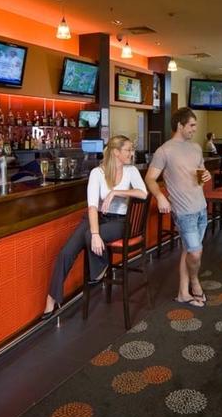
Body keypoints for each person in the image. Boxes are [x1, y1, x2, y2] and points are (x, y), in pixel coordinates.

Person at [42, 135, 147, 320]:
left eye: (132, 150)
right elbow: (92, 206)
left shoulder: (131, 171)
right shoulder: (97, 173)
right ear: (116, 152)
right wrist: (96, 232)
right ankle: (52, 298)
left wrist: (116, 192)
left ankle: (99, 270)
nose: (132, 153)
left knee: (90, 236)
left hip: (120, 221)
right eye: (128, 150)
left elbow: (143, 193)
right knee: (67, 252)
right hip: (97, 217)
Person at [146, 107, 212, 307]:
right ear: (179, 125)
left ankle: (183, 293)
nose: (194, 129)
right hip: (184, 212)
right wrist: (160, 197)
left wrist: (205, 175)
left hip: (201, 207)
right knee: (195, 252)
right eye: (191, 125)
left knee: (188, 250)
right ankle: (195, 282)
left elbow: (201, 172)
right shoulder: (164, 150)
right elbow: (150, 178)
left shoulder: (196, 148)